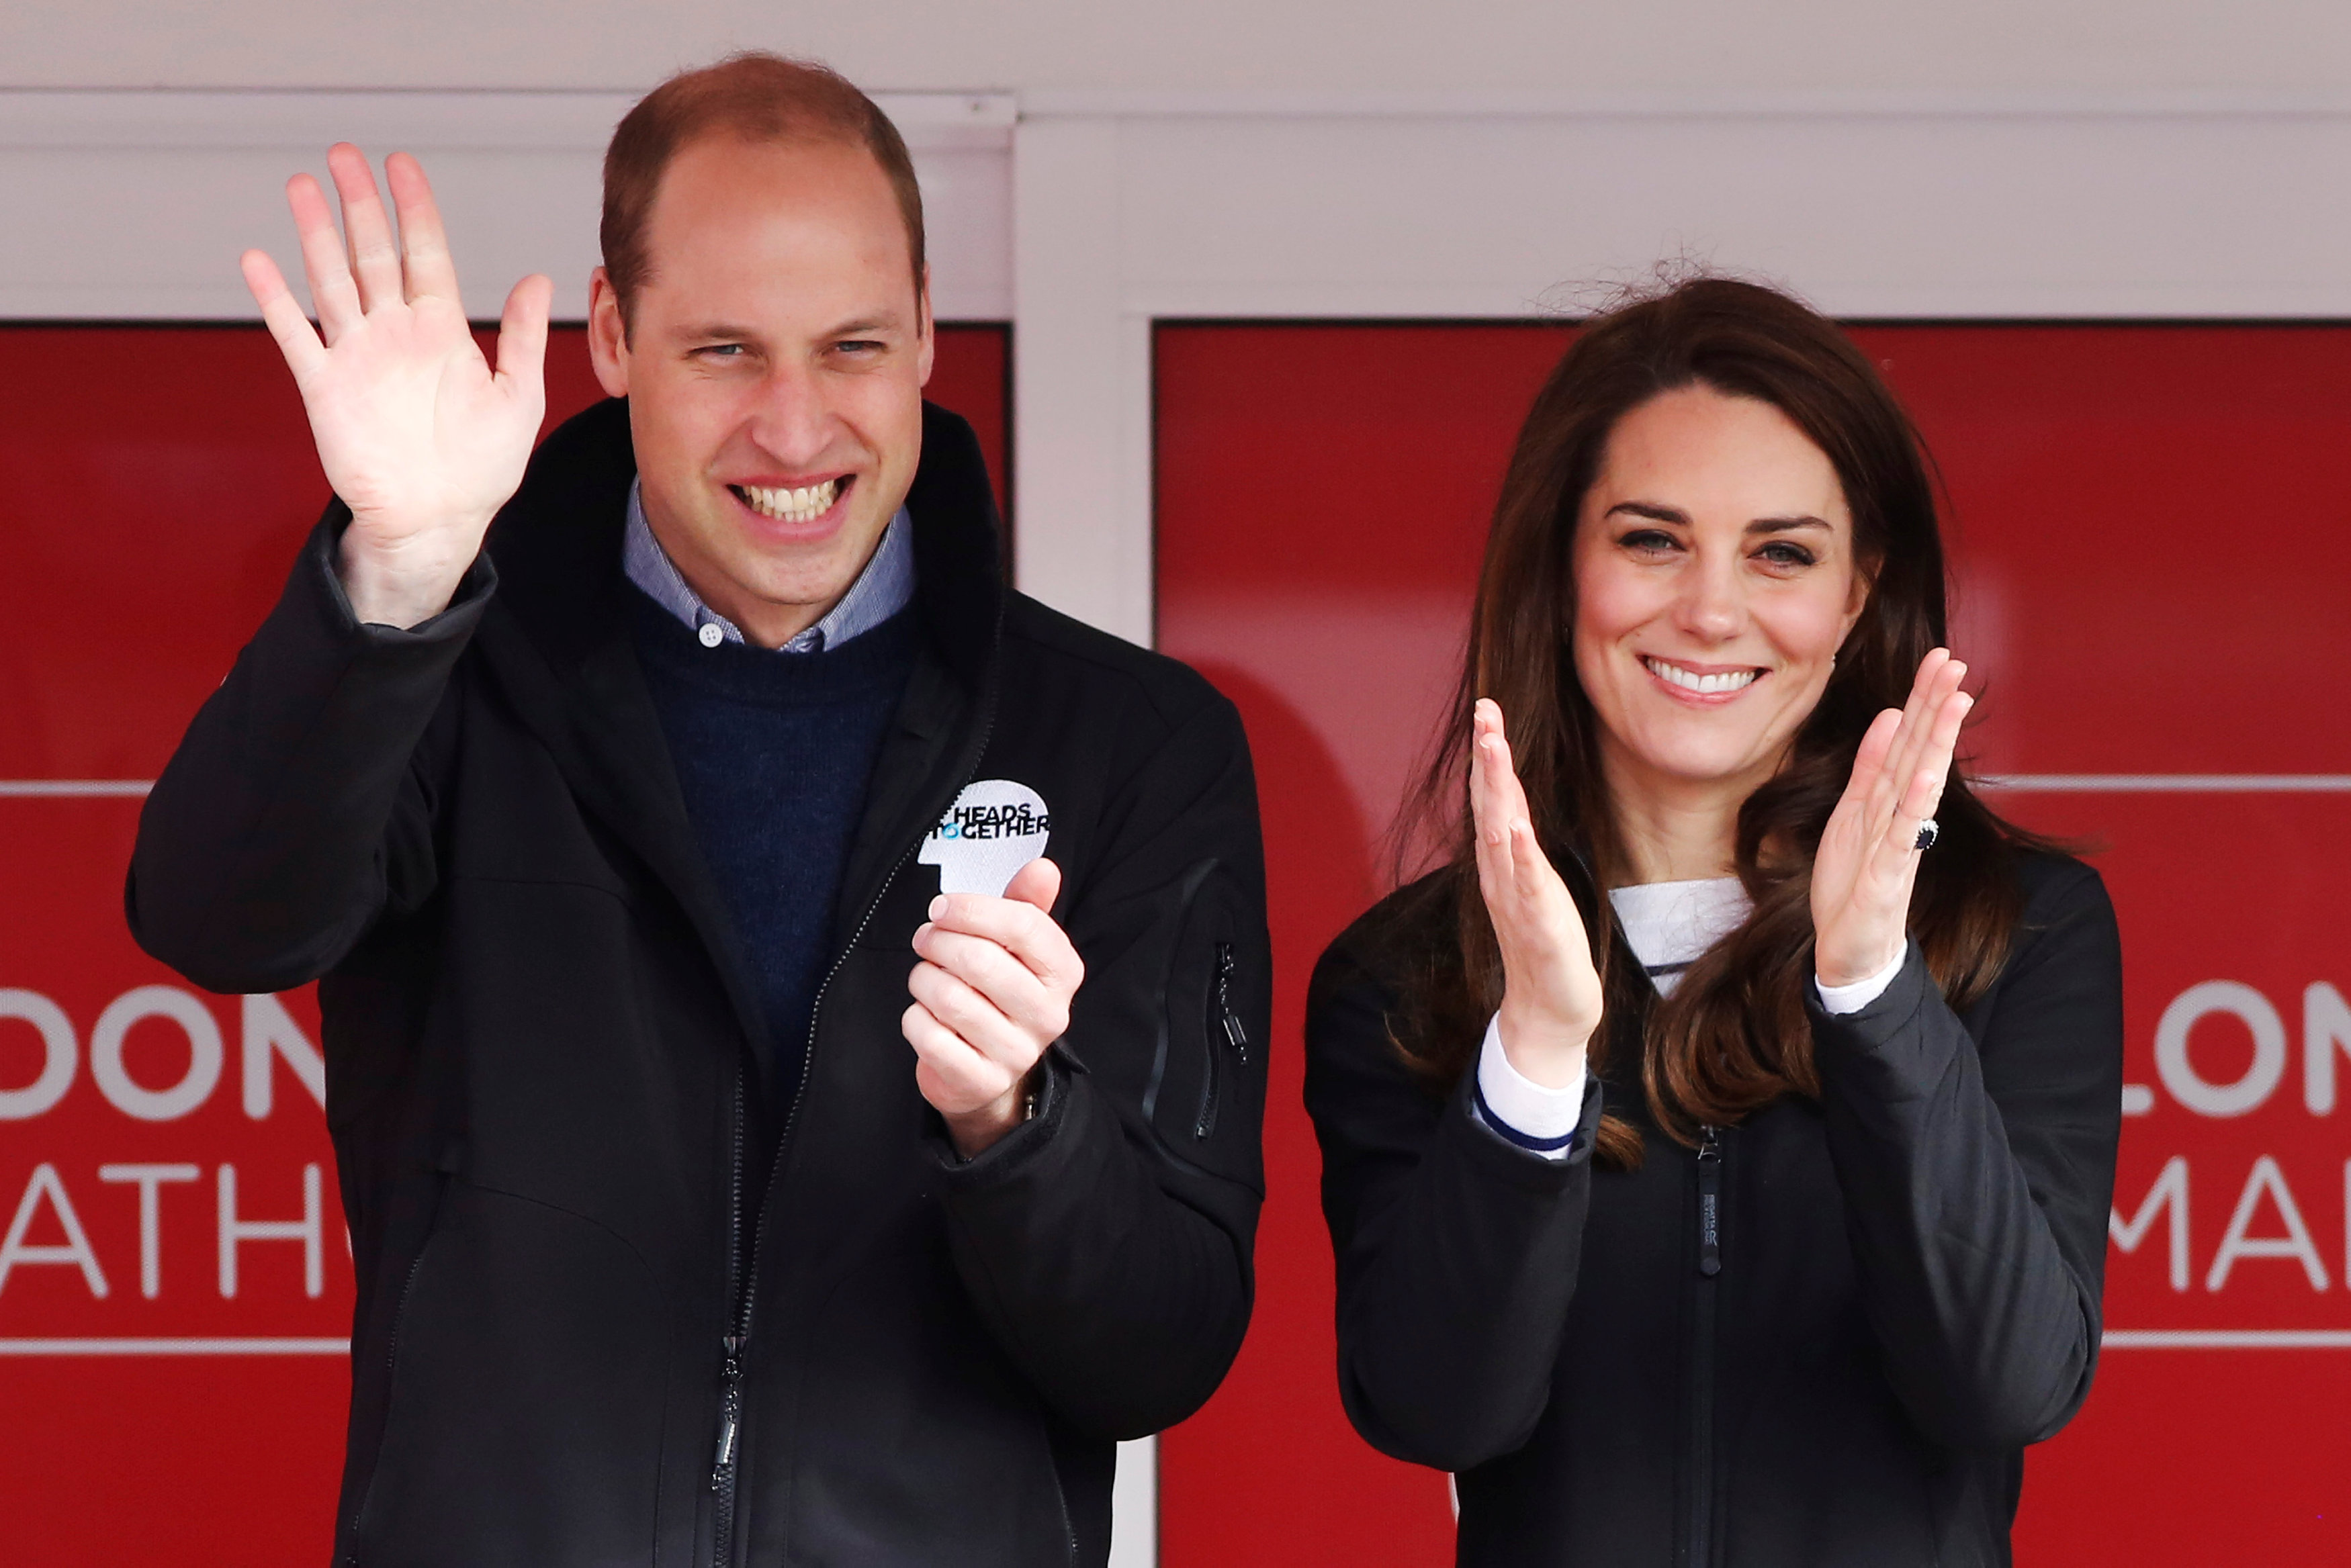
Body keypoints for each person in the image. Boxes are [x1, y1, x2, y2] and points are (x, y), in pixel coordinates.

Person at [129, 53, 1268, 1567]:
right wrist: (396, 571)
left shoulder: (1127, 744)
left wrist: (1013, 1126)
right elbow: (217, 914)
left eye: (852, 345)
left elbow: (1159, 1350)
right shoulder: (451, 676)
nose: (794, 432)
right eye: (725, 350)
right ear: (612, 336)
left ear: (927, 328)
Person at [1303, 277, 2123, 1565]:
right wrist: (1536, 1057)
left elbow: (2004, 1386)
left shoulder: (2014, 931)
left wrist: (1870, 990)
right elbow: (1436, 1408)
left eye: (1782, 552)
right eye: (1651, 539)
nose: (1712, 611)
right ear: (1563, 560)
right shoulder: (1410, 978)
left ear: (1859, 596)